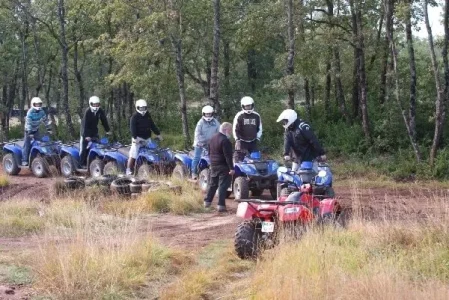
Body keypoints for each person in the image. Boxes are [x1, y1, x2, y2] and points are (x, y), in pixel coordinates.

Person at [204, 122, 235, 213]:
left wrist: (212, 162)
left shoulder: (212, 138)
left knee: (213, 184)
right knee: (222, 185)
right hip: (223, 165)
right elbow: (228, 156)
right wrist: (231, 168)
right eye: (230, 130)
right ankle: (221, 205)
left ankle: (207, 202)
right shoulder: (225, 140)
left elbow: (209, 152)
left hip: (213, 164)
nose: (230, 133)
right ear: (225, 129)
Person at [126, 99, 162, 175]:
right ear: (137, 108)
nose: (143, 110)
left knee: (154, 151)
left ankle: (155, 167)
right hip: (138, 138)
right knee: (133, 154)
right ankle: (128, 169)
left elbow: (152, 125)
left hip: (147, 138)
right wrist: (135, 138)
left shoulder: (147, 115)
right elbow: (133, 129)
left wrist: (158, 134)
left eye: (144, 108)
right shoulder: (134, 117)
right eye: (141, 108)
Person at [79, 96, 111, 167]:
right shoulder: (88, 112)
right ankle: (82, 164)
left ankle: (95, 161)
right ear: (91, 104)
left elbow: (104, 121)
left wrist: (107, 130)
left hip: (94, 131)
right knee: (84, 148)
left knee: (99, 146)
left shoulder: (100, 111)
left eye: (97, 104)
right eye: (94, 104)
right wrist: (86, 135)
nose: (96, 106)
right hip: (85, 132)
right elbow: (85, 124)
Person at [191, 105, 220, 180]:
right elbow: (197, 134)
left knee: (216, 157)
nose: (208, 115)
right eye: (207, 114)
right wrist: (201, 141)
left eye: (209, 114)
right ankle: (193, 173)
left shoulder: (216, 122)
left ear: (212, 114)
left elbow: (219, 132)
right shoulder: (200, 123)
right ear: (203, 114)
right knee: (197, 157)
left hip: (211, 143)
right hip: (200, 143)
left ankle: (215, 173)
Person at [22, 97, 52, 166]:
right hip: (28, 130)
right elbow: (29, 123)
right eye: (36, 104)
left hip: (36, 130)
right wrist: (30, 132)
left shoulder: (41, 111)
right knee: (27, 145)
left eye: (39, 104)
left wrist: (49, 129)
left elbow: (45, 120)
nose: (38, 106)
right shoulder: (30, 112)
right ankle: (24, 160)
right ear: (33, 104)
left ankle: (40, 158)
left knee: (41, 143)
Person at [232, 96, 262, 163]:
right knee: (239, 159)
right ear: (243, 106)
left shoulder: (256, 115)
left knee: (256, 159)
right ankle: (237, 172)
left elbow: (259, 128)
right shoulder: (239, 115)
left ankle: (254, 173)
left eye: (249, 106)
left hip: (253, 141)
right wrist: (237, 139)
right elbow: (235, 129)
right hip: (242, 141)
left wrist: (258, 138)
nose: (248, 107)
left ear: (252, 105)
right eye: (246, 106)